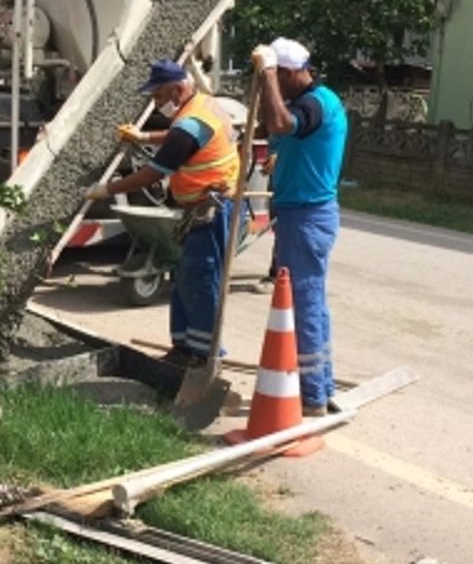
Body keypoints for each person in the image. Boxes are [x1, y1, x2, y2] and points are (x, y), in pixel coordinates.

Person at [85, 59, 240, 367]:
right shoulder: (204, 106)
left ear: (178, 89)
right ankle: (183, 348)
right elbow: (183, 136)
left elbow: (153, 173)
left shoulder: (190, 124)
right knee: (184, 277)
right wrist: (144, 137)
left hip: (210, 209)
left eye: (158, 96)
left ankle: (204, 355)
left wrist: (108, 190)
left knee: (200, 278)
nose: (156, 104)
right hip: (201, 206)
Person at [250, 38, 348, 416]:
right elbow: (271, 125)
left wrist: (268, 73)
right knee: (312, 304)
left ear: (290, 74)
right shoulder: (309, 101)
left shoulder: (316, 103)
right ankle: (320, 387)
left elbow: (278, 122)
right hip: (302, 213)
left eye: (279, 78)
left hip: (308, 216)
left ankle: (310, 396)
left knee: (304, 305)